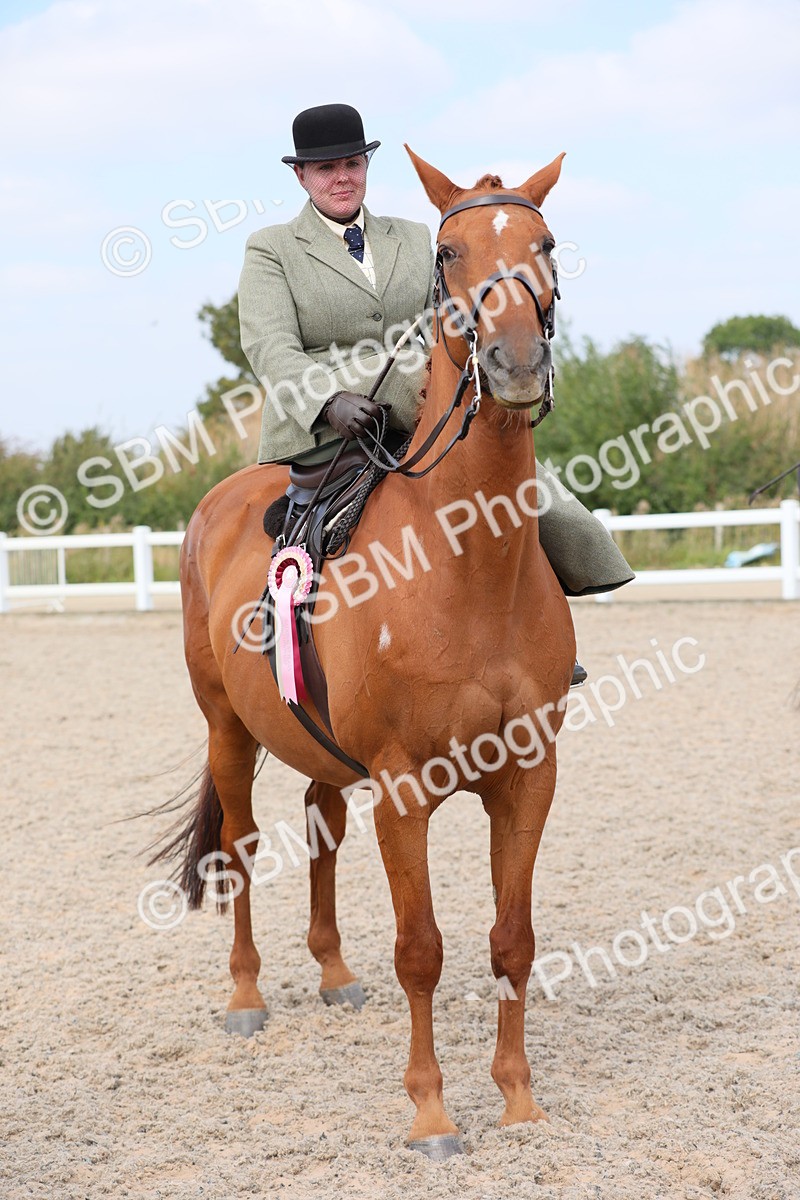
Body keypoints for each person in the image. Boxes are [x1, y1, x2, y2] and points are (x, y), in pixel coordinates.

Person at [237, 103, 634, 609]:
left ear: (365, 166)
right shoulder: (271, 248)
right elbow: (270, 348)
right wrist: (328, 400)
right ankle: (282, 622)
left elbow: (445, 321)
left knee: (511, 471)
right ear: (301, 176)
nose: (343, 179)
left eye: (352, 165)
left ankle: (554, 604)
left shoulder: (415, 235)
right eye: (326, 169)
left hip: (426, 400)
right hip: (331, 420)